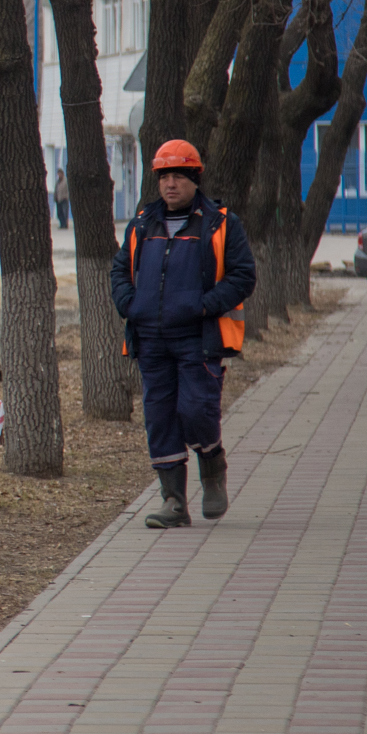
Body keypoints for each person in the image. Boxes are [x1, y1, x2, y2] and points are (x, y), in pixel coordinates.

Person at [110, 139, 256, 529]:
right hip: (151, 338)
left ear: (194, 178)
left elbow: (243, 276)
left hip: (199, 336)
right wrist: (130, 305)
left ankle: (212, 468)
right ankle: (174, 501)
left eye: (178, 176)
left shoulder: (220, 222)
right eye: (164, 177)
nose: (170, 184)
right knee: (159, 418)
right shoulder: (143, 222)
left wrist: (203, 306)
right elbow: (119, 270)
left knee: (195, 411)